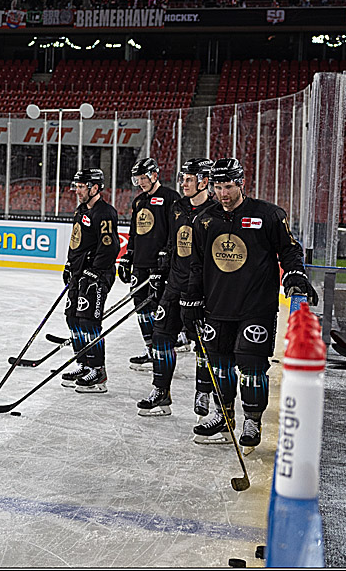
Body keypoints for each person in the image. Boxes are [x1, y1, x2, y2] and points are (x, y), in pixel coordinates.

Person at [185, 158, 317, 448]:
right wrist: (191, 296)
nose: (223, 194)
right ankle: (224, 416)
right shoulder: (205, 220)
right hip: (217, 306)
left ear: (242, 183)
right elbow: (196, 263)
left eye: (229, 186)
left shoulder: (268, 215)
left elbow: (290, 251)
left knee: (252, 366)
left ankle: (252, 420)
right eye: (218, 187)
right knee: (219, 365)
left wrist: (295, 276)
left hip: (256, 306)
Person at [136, 158, 218, 418]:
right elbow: (173, 244)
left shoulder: (217, 212)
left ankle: (203, 391)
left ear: (204, 181)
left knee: (204, 345)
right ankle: (161, 392)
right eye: (183, 178)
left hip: (204, 290)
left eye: (189, 179)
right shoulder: (178, 207)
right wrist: (162, 270)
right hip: (175, 284)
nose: (183, 183)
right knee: (161, 336)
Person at [118, 158, 182, 372]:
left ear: (155, 175)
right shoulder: (138, 201)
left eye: (144, 178)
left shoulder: (171, 198)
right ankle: (150, 349)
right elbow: (135, 232)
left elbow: (176, 230)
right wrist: (128, 256)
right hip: (140, 264)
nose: (141, 182)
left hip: (160, 265)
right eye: (138, 179)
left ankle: (166, 346)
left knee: (159, 307)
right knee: (141, 307)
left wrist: (168, 252)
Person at [60, 168, 120, 393]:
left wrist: (95, 271)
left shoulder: (105, 213)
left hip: (97, 275)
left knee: (89, 322)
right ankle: (84, 364)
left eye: (81, 186)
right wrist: (69, 264)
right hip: (79, 273)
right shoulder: (81, 210)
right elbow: (76, 240)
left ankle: (98, 371)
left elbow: (110, 245)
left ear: (95, 188)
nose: (77, 190)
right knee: (72, 319)